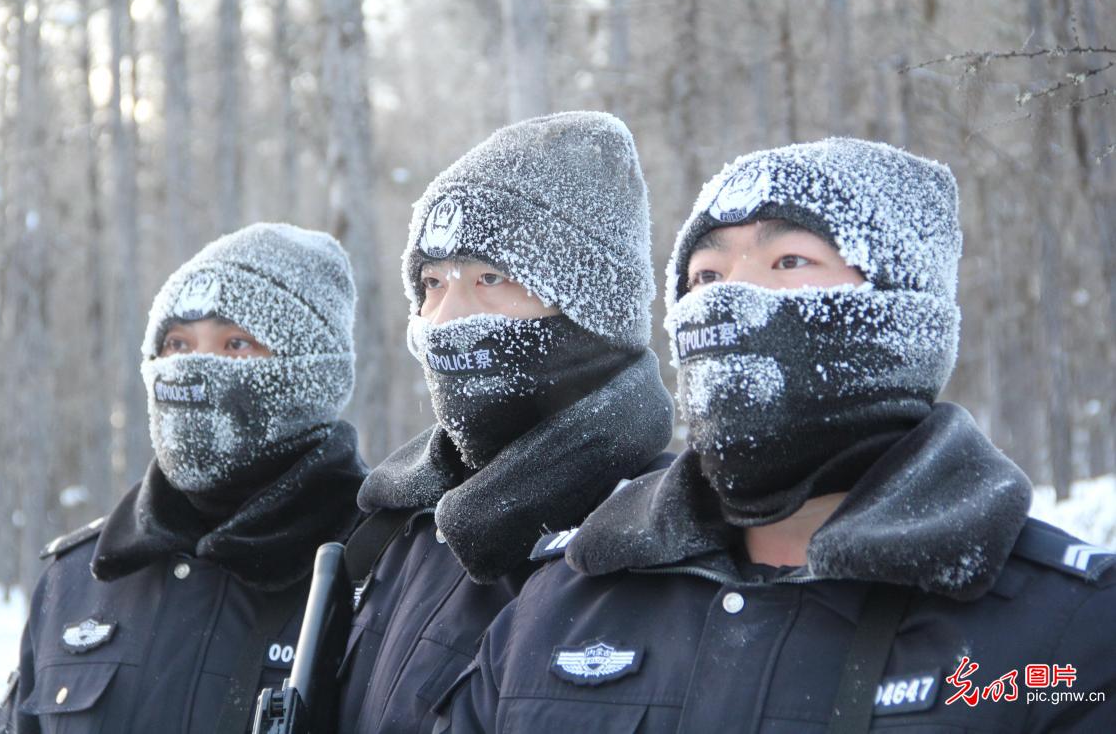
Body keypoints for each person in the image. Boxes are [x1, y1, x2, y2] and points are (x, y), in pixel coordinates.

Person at [436, 138, 1116, 732]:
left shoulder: (1064, 634)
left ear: (899, 316)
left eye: (788, 261)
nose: (725, 298)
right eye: (705, 275)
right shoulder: (563, 604)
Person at [335, 111, 674, 733]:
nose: (446, 319)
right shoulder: (399, 533)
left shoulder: (671, 533)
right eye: (432, 284)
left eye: (490, 278)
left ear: (590, 303)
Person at [0, 223, 367, 733]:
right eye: (176, 344)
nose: (192, 369)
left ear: (309, 375)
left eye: (235, 344)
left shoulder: (382, 570)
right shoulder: (80, 579)